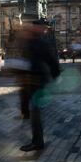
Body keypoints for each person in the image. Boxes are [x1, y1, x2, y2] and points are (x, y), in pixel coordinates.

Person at [18, 19, 61, 152]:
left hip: (38, 80)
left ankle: (37, 142)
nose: (32, 29)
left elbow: (51, 60)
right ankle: (37, 141)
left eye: (34, 27)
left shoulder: (41, 42)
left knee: (35, 112)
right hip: (31, 78)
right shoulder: (32, 41)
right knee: (32, 110)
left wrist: (56, 75)